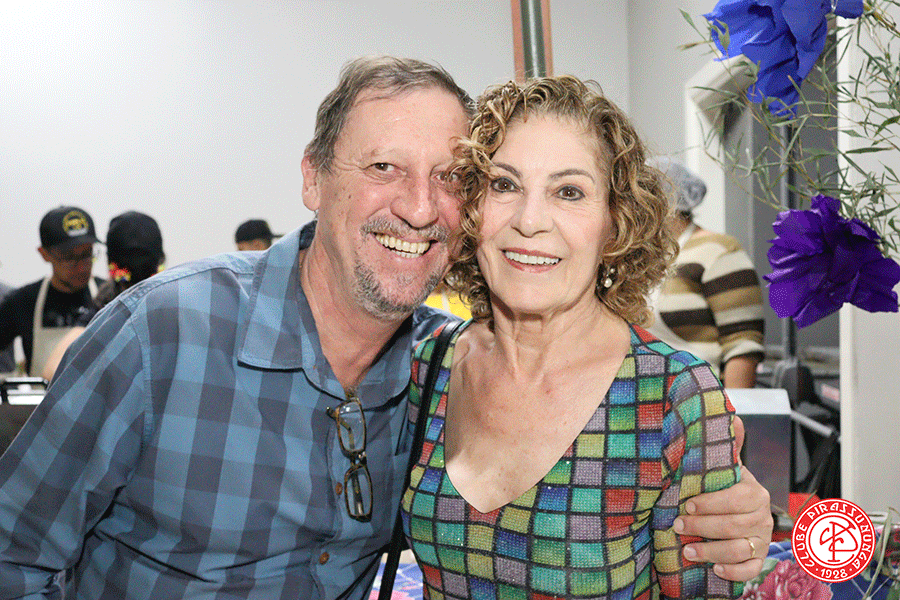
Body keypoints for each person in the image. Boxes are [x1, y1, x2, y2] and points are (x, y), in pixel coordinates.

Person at [0, 57, 770, 599]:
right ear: (313, 177)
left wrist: (745, 512)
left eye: (449, 178)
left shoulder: (443, 363)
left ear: (615, 220)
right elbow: (16, 554)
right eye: (382, 168)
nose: (418, 205)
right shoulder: (170, 333)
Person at [402, 76, 754, 599]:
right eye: (504, 185)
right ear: (471, 208)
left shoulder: (672, 395)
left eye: (569, 192)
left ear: (615, 224)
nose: (530, 221)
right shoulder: (431, 366)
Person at [645, 158, 765, 388]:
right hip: (649, 398)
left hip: (702, 397)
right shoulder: (644, 258)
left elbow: (742, 345)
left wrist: (731, 408)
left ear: (667, 204)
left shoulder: (718, 250)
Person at [40, 210, 166, 381]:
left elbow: (54, 371)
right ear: (161, 261)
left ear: (110, 265)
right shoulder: (105, 305)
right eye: (69, 257)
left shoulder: (104, 307)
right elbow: (53, 370)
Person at [0, 206, 102, 377]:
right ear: (44, 254)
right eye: (69, 257)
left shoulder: (106, 297)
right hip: (42, 395)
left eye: (87, 254)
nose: (81, 267)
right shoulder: (24, 301)